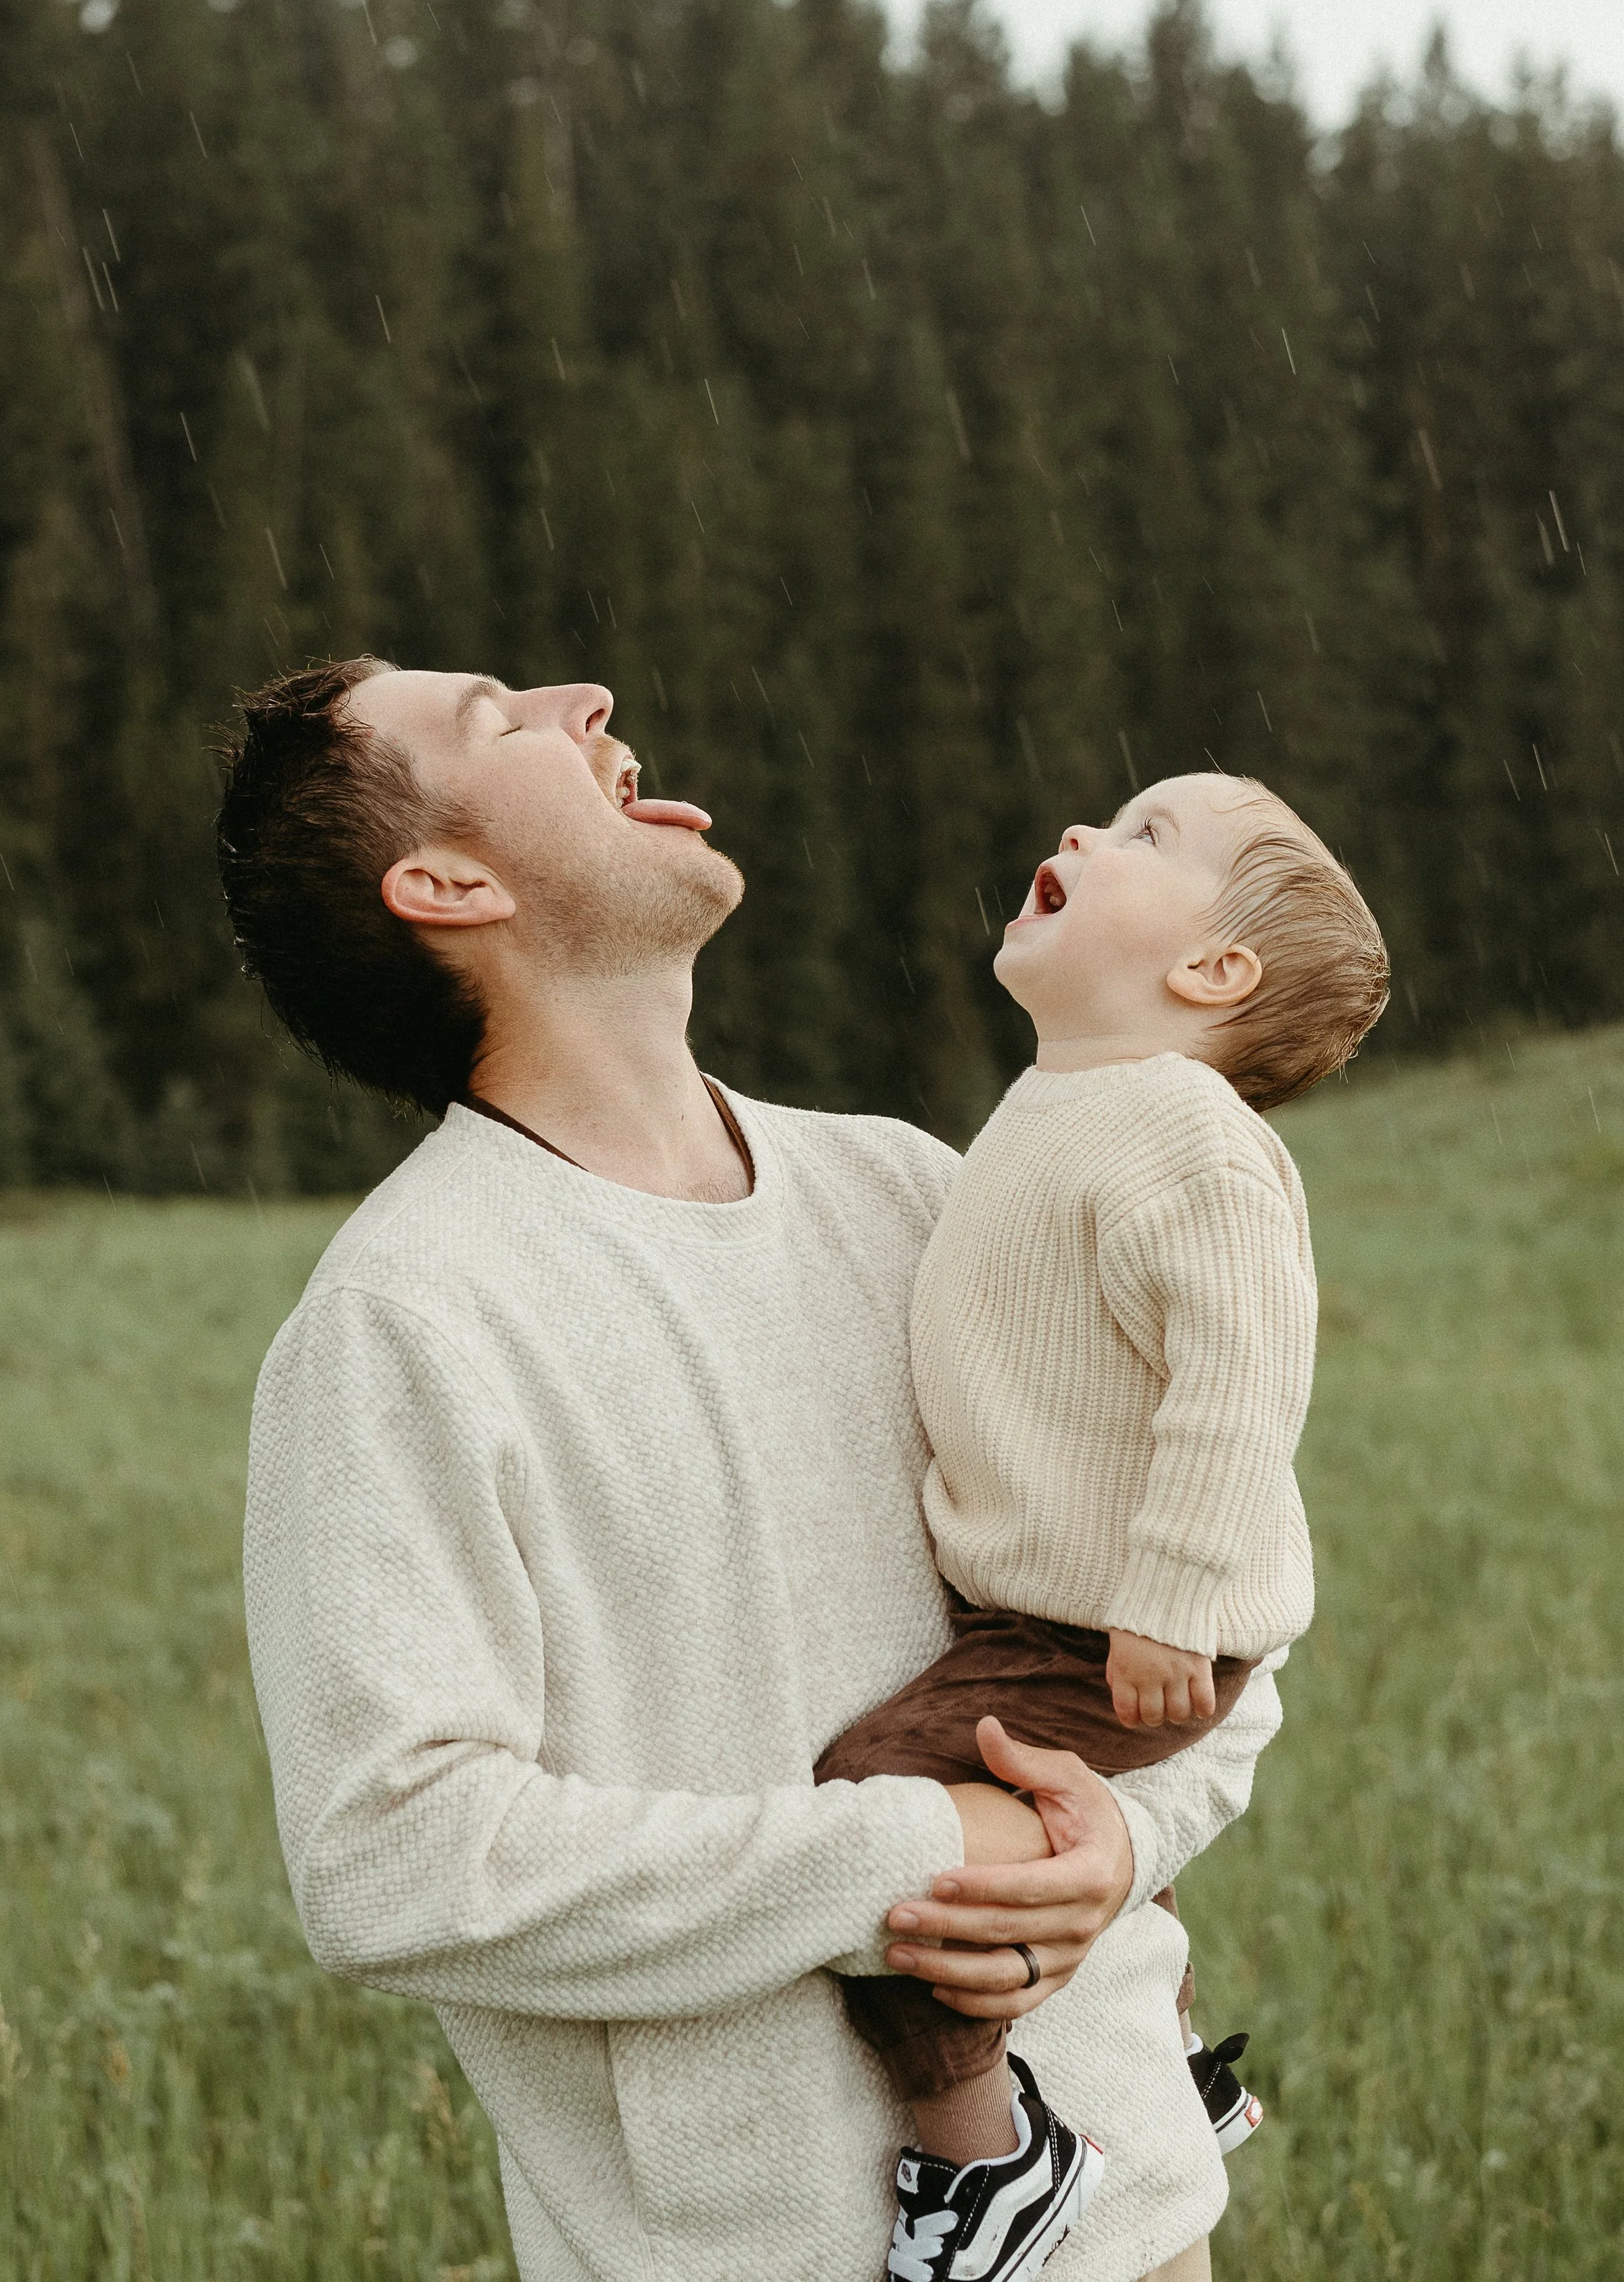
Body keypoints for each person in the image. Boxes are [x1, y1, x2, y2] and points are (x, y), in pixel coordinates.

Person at [219, 657, 1288, 2282]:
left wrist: (1118, 1850)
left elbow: (1210, 1624)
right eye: (499, 719)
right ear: (446, 884)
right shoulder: (402, 1323)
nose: (581, 691)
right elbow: (391, 1861)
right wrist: (917, 1858)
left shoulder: (919, 1195)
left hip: (1139, 2224)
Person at [813, 774, 1389, 2274]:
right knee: (1053, 1840)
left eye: (1144, 839)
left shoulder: (1185, 1136)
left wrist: (1173, 1600)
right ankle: (1175, 2069)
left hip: (1117, 1621)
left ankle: (983, 2150)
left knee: (878, 1807)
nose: (1078, 833)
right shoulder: (1059, 1103)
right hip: (1045, 1600)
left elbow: (1236, 1381)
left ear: (1208, 974)